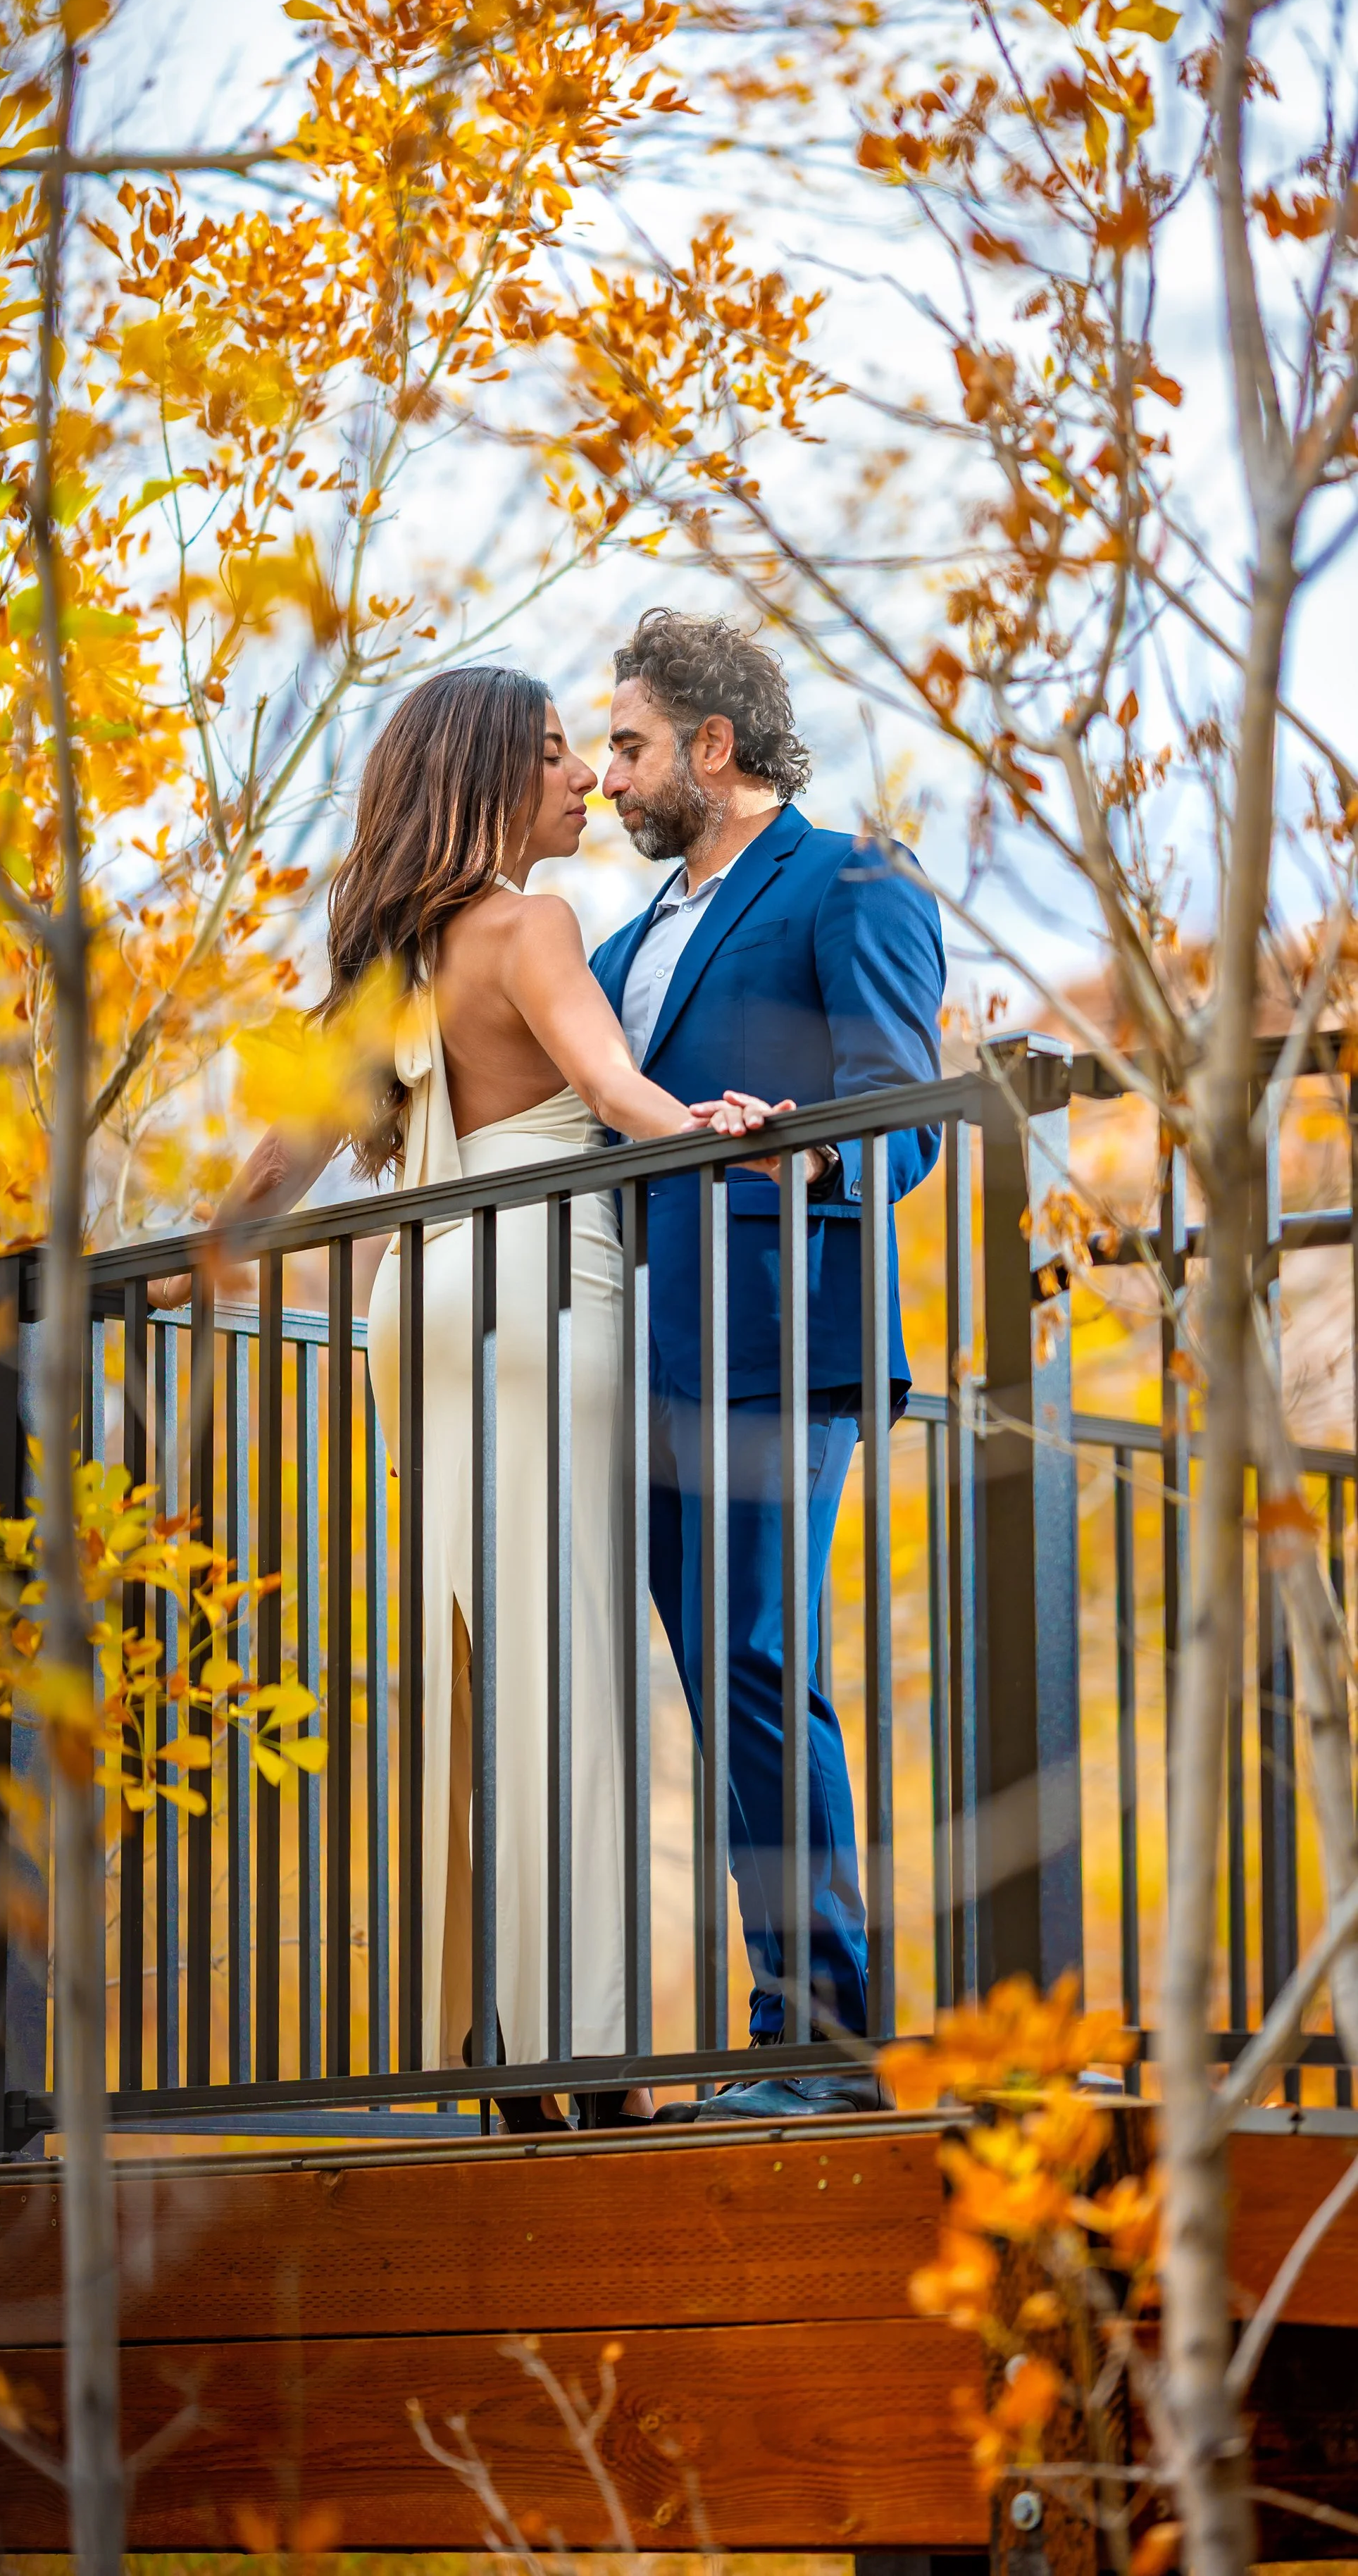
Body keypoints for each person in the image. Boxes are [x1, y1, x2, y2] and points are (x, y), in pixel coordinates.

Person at [156, 662, 773, 2132]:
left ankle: (504, 2044)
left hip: (417, 1304)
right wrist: (703, 1128)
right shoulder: (528, 923)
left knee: (486, 1676)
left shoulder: (394, 968)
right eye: (555, 756)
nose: (581, 781)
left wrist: (174, 1278)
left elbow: (271, 1172)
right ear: (491, 779)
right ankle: (591, 2054)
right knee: (578, 1681)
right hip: (540, 1289)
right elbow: (608, 1085)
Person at [590, 609, 946, 2122]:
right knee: (710, 1683)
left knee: (758, 1664)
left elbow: (905, 1115)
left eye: (625, 743)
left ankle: (814, 2045)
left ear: (711, 748)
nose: (604, 775)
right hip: (639, 1355)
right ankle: (776, 2027)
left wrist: (780, 1162)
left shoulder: (848, 884)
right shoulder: (617, 945)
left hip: (778, 1338)